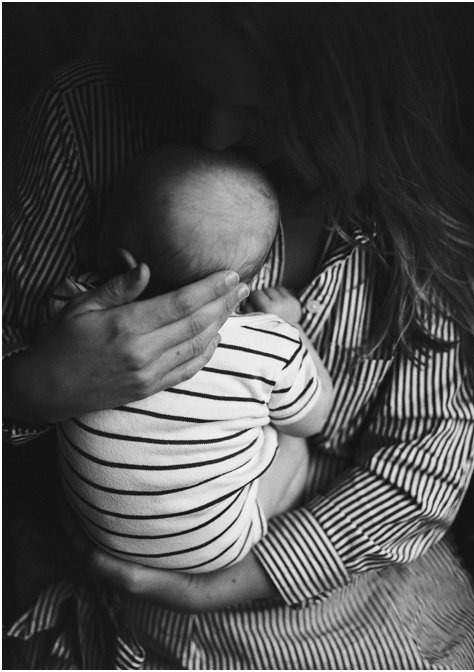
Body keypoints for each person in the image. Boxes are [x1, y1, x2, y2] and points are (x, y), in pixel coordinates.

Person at [4, 5, 474, 669]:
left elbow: (424, 459)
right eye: (198, 87)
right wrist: (38, 386)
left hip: (359, 595)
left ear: (357, 102)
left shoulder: (421, 226)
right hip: (129, 607)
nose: (214, 134)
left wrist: (219, 588)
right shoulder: (86, 116)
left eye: (266, 111)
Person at [49, 145, 334, 574]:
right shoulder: (267, 345)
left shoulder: (70, 312)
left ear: (122, 259)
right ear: (244, 282)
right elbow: (314, 421)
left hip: (101, 532)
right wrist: (290, 328)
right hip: (213, 549)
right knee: (292, 439)